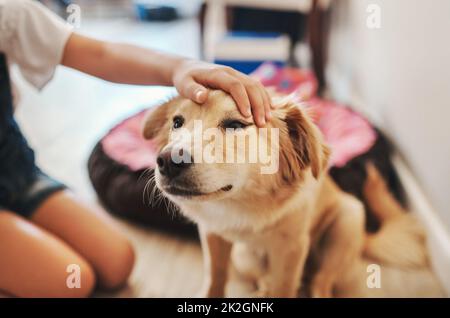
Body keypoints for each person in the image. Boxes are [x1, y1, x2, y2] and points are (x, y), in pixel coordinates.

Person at [0, 0, 271, 297]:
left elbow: (100, 53)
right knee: (71, 283)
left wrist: (180, 66)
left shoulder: (8, 12)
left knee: (117, 262)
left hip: (14, 169)